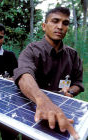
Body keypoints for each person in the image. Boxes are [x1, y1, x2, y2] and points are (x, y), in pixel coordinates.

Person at [14, 7, 84, 140]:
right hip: (34, 114)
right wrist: (43, 101)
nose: (60, 26)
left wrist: (71, 91)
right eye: (55, 21)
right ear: (44, 26)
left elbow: (78, 83)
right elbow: (24, 76)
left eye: (65, 23)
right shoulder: (31, 51)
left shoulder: (73, 55)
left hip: (63, 114)